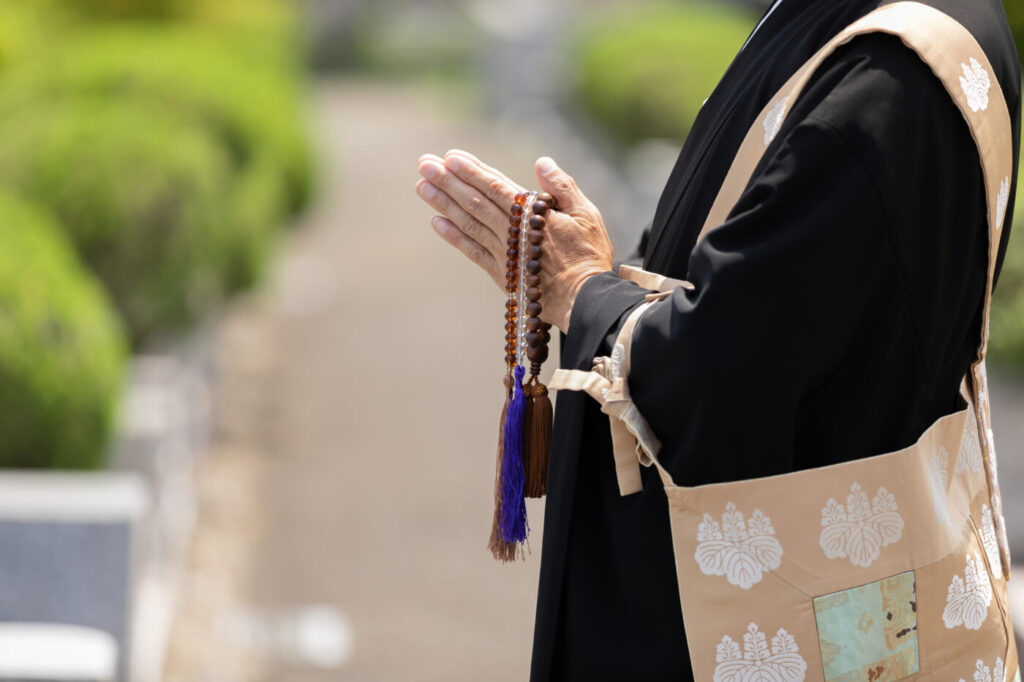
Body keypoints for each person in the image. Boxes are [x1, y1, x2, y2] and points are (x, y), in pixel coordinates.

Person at [414, 0, 1021, 678]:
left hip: (789, 611)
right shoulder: (878, 30)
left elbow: (723, 367)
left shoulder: (888, 76)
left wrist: (580, 287)